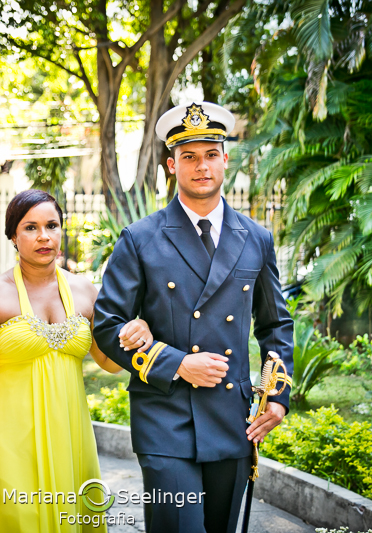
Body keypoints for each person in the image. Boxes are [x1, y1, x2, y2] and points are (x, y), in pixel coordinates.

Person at [93, 102, 294, 533]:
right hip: (164, 417)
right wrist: (179, 363)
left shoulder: (256, 239)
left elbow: (275, 325)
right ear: (171, 165)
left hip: (230, 416)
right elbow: (107, 325)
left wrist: (277, 394)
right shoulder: (140, 239)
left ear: (225, 159)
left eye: (209, 154)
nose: (201, 166)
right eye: (188, 157)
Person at [0, 190, 147, 532]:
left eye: (52, 225)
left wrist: (136, 332)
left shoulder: (87, 292)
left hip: (72, 437)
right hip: (11, 441)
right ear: (13, 237)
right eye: (30, 228)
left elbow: (109, 363)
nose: (44, 236)